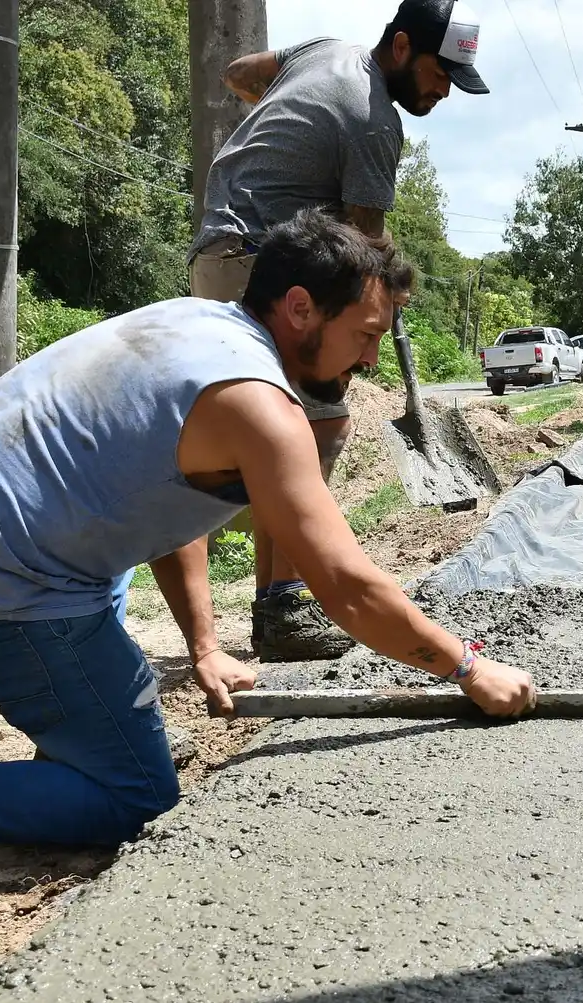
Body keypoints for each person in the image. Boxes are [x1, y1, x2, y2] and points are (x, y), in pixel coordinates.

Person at [0, 211, 537, 848]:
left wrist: (204, 647)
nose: (371, 358)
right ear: (300, 308)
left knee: (99, 694)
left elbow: (160, 500)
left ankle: (72, 729)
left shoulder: (199, 321)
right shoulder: (258, 405)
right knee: (136, 798)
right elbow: (344, 584)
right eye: (366, 334)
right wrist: (468, 667)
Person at [188, 0, 488, 664]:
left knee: (284, 433)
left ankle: (277, 611)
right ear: (404, 48)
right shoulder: (375, 120)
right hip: (260, 266)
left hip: (218, 253)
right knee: (320, 427)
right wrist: (379, 326)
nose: (443, 92)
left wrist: (292, 129)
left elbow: (240, 72)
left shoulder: (325, 51)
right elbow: (366, 259)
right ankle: (289, 605)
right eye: (442, 76)